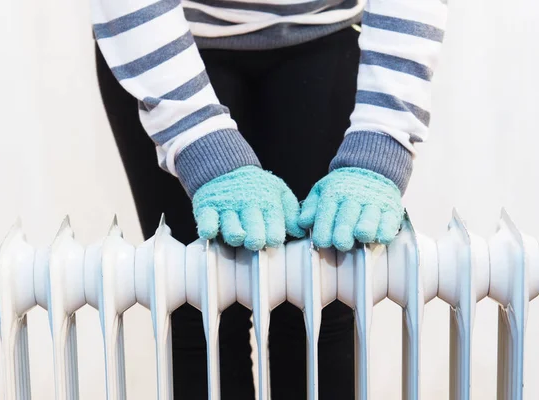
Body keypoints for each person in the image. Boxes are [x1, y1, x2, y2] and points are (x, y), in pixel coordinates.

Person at [92, 0, 447, 397]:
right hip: (164, 39)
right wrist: (200, 143)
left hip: (323, 33)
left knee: (321, 306)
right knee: (199, 309)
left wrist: (383, 139)